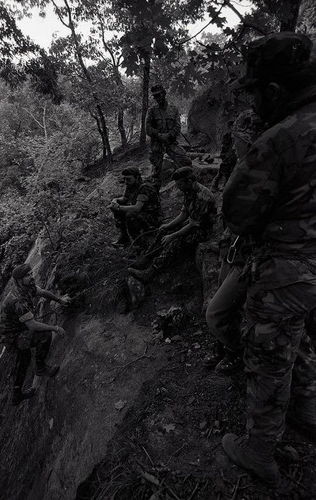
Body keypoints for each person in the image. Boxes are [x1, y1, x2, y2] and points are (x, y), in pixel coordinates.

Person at [220, 32, 316, 487]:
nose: (252, 102)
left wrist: (246, 154)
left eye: (254, 91)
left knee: (269, 355)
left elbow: (237, 213)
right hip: (310, 267)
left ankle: (259, 449)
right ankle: (307, 408)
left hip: (285, 267)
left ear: (274, 91)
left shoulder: (279, 138)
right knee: (297, 336)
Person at [204, 110, 265, 376]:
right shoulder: (243, 167)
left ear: (248, 140)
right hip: (232, 248)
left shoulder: (264, 174)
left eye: (236, 138)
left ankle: (238, 351)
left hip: (249, 256)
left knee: (215, 313)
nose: (232, 144)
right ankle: (227, 349)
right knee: (222, 309)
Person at [128, 166, 216, 283]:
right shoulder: (188, 190)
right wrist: (169, 226)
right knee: (163, 230)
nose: (178, 188)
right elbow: (184, 213)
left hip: (202, 231)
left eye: (180, 185)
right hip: (191, 224)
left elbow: (193, 225)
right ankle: (147, 257)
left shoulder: (203, 197)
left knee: (175, 241)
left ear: (189, 181)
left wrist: (172, 236)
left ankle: (151, 272)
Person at [0, 263, 69, 406]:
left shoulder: (27, 287)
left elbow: (42, 292)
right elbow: (33, 325)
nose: (32, 276)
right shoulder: (18, 299)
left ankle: (16, 396)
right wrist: (55, 328)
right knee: (44, 335)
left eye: (31, 273)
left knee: (23, 360)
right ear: (19, 280)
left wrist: (59, 300)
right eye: (28, 275)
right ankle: (40, 368)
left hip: (16, 328)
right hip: (11, 336)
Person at [146, 84, 192, 190]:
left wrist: (168, 135)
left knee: (186, 162)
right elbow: (148, 128)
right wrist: (158, 134)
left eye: (158, 95)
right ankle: (155, 196)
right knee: (156, 173)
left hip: (171, 142)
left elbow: (177, 128)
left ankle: (187, 187)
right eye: (155, 96)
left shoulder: (173, 109)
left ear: (164, 94)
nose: (157, 98)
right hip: (156, 145)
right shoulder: (151, 111)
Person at [110, 166, 163, 248]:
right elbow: (124, 199)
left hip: (153, 217)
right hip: (143, 212)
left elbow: (136, 208)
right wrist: (115, 200)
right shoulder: (131, 185)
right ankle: (124, 238)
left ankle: (139, 244)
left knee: (131, 215)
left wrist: (118, 207)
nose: (126, 181)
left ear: (137, 177)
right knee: (119, 211)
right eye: (124, 179)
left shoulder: (144, 187)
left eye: (128, 179)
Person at [210, 120, 237, 192]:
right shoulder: (227, 136)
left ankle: (225, 184)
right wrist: (225, 156)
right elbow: (224, 147)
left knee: (230, 171)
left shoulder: (235, 136)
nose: (233, 128)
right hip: (226, 156)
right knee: (222, 171)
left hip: (233, 156)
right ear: (229, 127)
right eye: (232, 127)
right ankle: (214, 184)